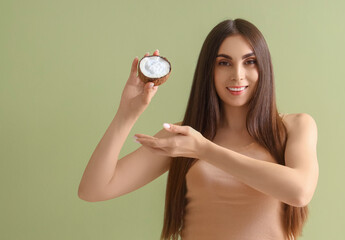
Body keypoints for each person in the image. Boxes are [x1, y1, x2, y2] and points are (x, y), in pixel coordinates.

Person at [78, 18, 319, 240]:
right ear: (209, 71)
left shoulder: (294, 127)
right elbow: (93, 189)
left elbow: (299, 191)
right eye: (224, 63)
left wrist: (204, 150)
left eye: (250, 61)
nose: (237, 74)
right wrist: (126, 114)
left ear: (264, 67)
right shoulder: (182, 137)